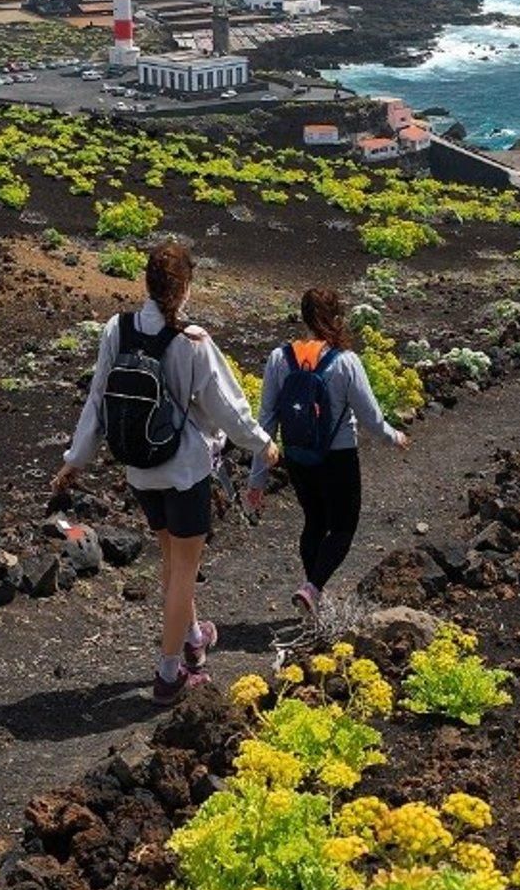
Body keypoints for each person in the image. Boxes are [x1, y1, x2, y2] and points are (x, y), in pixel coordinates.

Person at [53, 240, 280, 706]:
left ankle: (194, 637)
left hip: (141, 470)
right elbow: (228, 408)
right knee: (184, 571)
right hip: (185, 470)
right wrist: (263, 443)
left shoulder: (117, 329)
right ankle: (170, 672)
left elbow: (97, 399)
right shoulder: (194, 341)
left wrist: (75, 460)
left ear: (148, 283)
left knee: (170, 561)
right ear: (185, 288)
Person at [247, 287, 410, 615]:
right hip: (338, 457)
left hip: (297, 456)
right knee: (343, 526)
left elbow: (266, 420)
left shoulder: (280, 358)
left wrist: (257, 478)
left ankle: (313, 597)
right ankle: (313, 587)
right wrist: (394, 437)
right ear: (337, 317)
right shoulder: (346, 362)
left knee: (314, 521)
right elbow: (370, 417)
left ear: (304, 317)